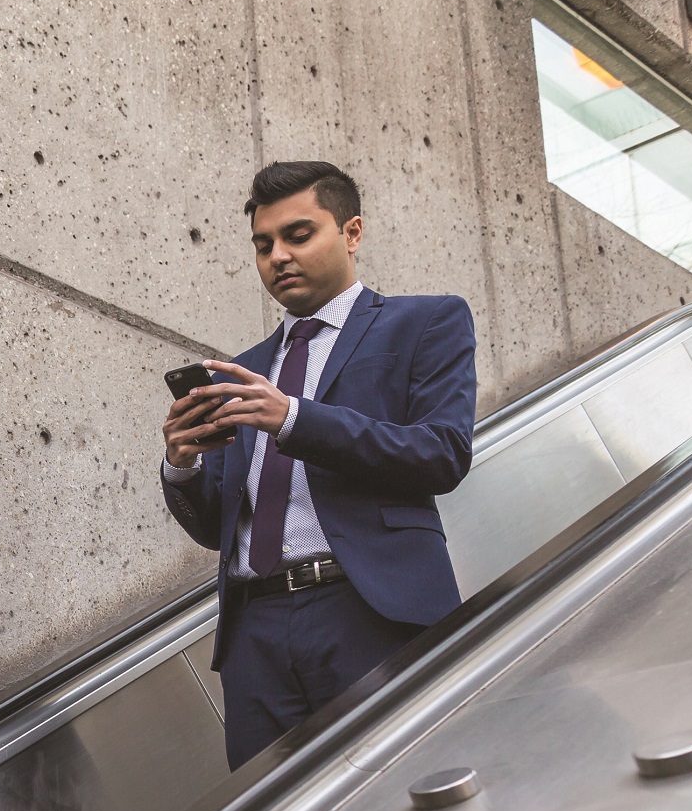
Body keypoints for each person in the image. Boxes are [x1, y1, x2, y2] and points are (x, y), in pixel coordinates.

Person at [160, 160, 477, 769]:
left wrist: (295, 420)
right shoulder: (245, 368)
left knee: (401, 791)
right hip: (254, 634)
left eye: (298, 236)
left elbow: (442, 453)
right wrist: (182, 466)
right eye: (263, 245)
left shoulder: (426, 322)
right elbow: (216, 528)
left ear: (351, 232)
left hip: (369, 612)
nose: (278, 256)